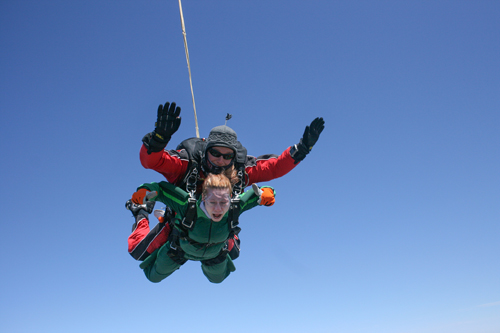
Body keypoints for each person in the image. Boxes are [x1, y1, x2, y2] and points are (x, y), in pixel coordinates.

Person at [128, 101, 324, 260]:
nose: (220, 160)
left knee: (234, 254)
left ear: (234, 157)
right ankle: (140, 213)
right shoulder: (187, 164)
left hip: (218, 226)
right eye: (215, 153)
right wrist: (158, 139)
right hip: (180, 224)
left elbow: (273, 167)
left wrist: (303, 149)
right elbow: (151, 161)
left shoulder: (238, 171)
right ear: (205, 152)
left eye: (227, 156)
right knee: (137, 251)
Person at [132, 174, 275, 283]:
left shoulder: (235, 207)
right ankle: (142, 213)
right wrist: (146, 191)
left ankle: (230, 239)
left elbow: (256, 194)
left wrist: (268, 193)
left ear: (230, 199)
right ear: (204, 197)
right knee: (153, 277)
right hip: (179, 250)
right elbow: (162, 190)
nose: (218, 209)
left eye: (223, 202)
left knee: (217, 280)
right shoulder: (187, 205)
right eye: (212, 202)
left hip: (214, 254)